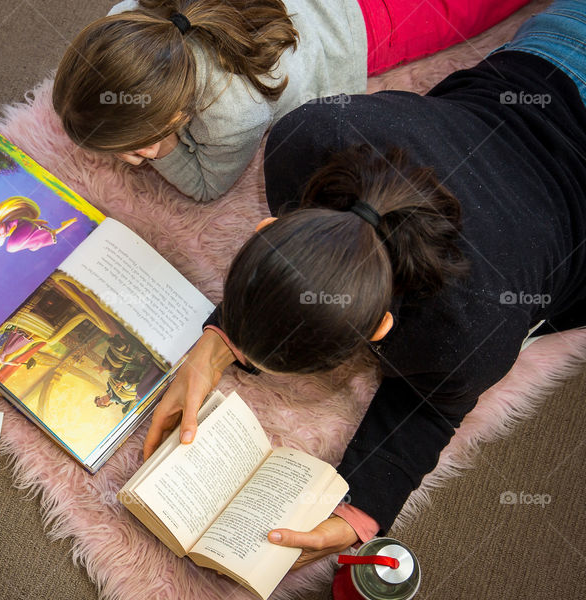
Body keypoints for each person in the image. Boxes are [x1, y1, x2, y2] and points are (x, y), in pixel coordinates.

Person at [145, 1, 586, 569]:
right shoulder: (307, 136)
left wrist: (361, 507)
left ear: (382, 330)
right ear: (268, 226)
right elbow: (311, 270)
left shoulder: (473, 331)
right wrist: (216, 345)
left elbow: (432, 408)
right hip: (558, 48)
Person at [53, 0, 529, 202]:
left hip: (373, 26)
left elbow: (205, 187)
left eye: (131, 148)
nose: (129, 160)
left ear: (176, 115)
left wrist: (165, 149)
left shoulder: (233, 111)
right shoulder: (128, 18)